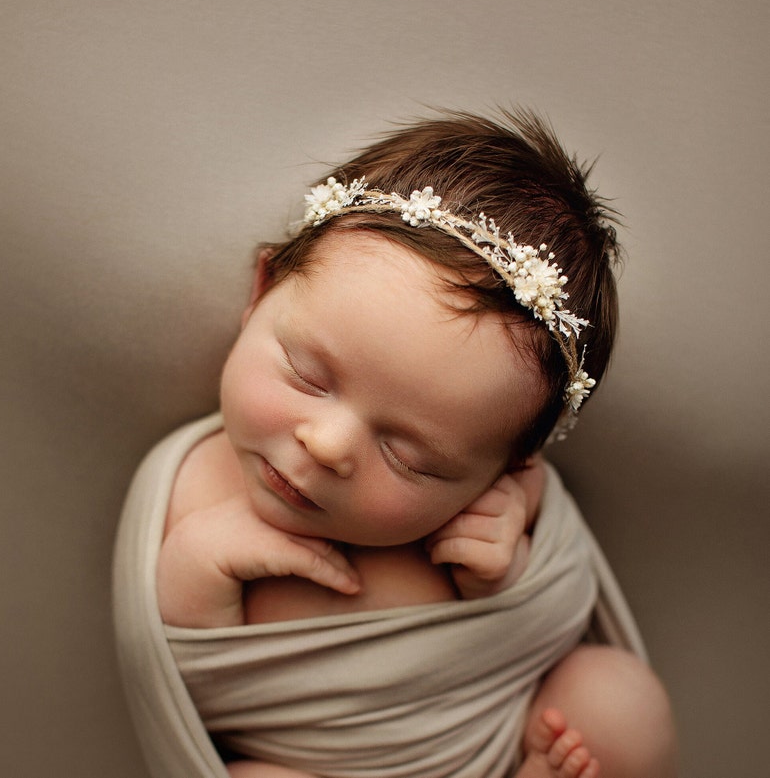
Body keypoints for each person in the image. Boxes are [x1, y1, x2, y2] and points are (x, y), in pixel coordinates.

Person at [152, 109, 677, 778]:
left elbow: (553, 603)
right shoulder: (194, 485)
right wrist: (198, 565)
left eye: (409, 456)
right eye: (307, 376)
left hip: (498, 741)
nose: (326, 446)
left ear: (504, 465)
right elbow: (186, 678)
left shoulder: (503, 497)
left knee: (619, 700)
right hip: (316, 764)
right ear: (260, 292)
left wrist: (504, 575)